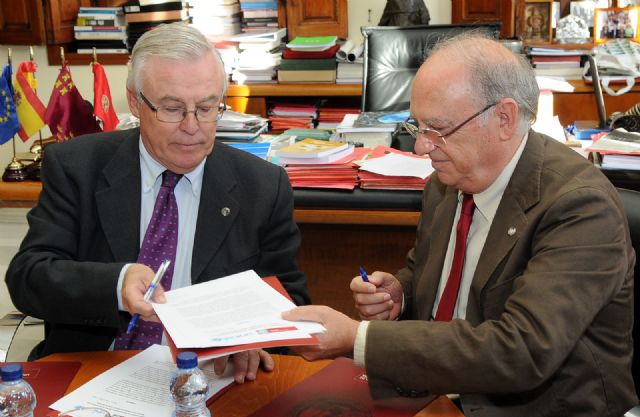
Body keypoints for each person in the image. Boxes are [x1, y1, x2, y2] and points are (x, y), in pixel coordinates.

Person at [283, 34, 637, 416]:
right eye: (417, 127)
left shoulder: (580, 206)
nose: (421, 147)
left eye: (438, 129)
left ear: (504, 118)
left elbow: (522, 351)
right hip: (438, 393)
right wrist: (400, 295)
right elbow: (431, 273)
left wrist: (359, 339)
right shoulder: (447, 181)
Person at [5, 23, 309, 384]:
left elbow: (289, 299)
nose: (192, 126)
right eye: (172, 108)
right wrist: (116, 286)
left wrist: (255, 339)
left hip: (208, 378)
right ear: (135, 102)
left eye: (208, 107)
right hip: (92, 371)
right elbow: (28, 277)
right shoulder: (76, 167)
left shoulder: (261, 185)